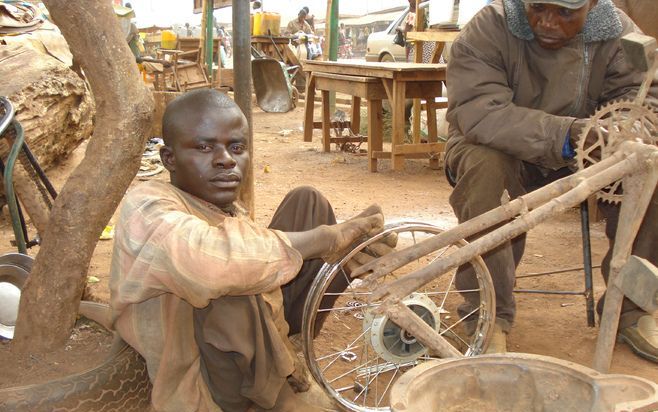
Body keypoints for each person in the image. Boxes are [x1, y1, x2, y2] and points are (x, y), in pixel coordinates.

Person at [110, 89, 387, 411]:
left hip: (252, 341)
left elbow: (254, 255)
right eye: (204, 147)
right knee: (231, 282)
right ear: (169, 159)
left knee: (307, 202)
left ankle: (283, 355)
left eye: (236, 148)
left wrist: (345, 253)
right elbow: (213, 263)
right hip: (206, 377)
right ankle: (274, 394)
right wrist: (327, 238)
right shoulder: (146, 206)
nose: (226, 159)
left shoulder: (217, 204)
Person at [444, 0, 658, 360]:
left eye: (565, 13)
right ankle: (489, 316)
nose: (548, 22)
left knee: (648, 169)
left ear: (591, 5)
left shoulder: (617, 31)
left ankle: (631, 310)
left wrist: (624, 132)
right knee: (487, 169)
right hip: (495, 145)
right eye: (538, 8)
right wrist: (569, 135)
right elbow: (480, 112)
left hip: (583, 154)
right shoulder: (489, 28)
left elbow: (646, 102)